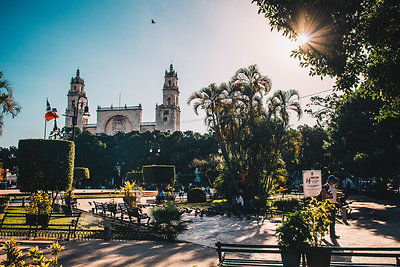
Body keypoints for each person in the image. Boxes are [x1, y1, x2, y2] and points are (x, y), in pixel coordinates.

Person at [321, 175, 342, 240]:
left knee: (332, 220)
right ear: (329, 180)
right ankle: (322, 233)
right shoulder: (326, 186)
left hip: (333, 205)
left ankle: (332, 234)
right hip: (328, 205)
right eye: (333, 180)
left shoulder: (334, 187)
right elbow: (323, 196)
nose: (334, 182)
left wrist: (340, 204)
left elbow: (336, 196)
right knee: (326, 221)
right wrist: (325, 205)